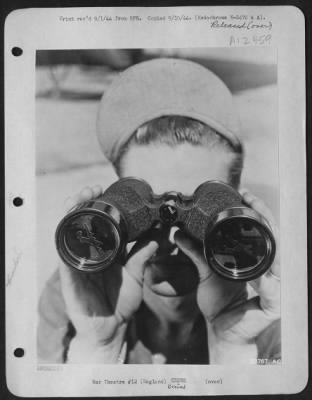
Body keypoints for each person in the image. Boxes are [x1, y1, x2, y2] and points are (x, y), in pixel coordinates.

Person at [38, 58, 281, 364]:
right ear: (116, 195)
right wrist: (97, 348)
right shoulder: (76, 294)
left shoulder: (270, 318)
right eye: (143, 206)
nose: (172, 238)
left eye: (204, 212)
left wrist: (233, 346)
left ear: (237, 205)